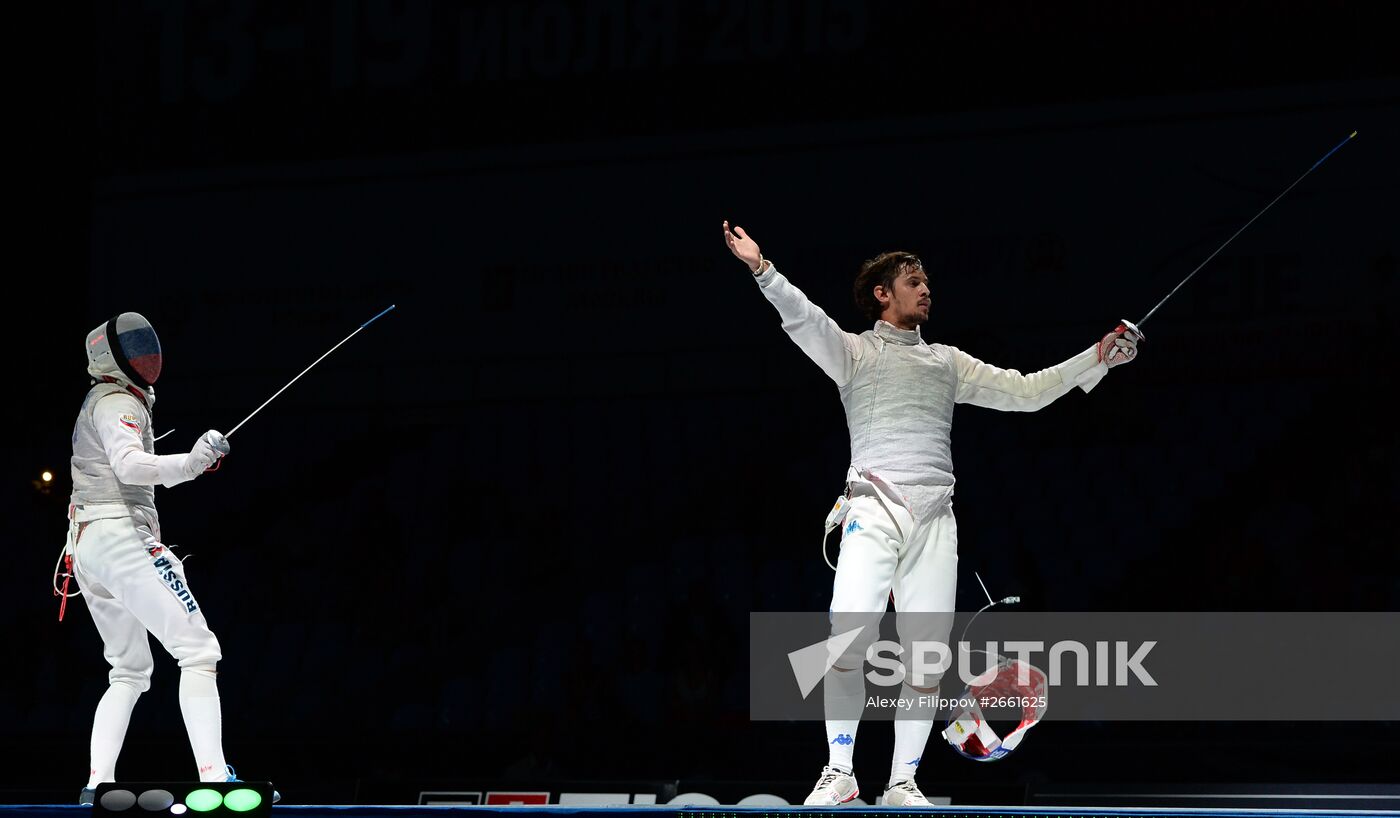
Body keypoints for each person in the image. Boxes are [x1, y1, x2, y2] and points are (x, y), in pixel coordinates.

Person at [722, 222, 1139, 806]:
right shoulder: (854, 352)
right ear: (882, 295)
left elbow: (1027, 390)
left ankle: (901, 782)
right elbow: (804, 318)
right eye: (913, 282)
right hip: (872, 508)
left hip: (936, 520)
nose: (926, 290)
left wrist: (1097, 359)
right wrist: (761, 268)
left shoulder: (947, 362)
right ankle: (839, 772)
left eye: (927, 282)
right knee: (847, 638)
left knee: (923, 657)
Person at [64, 312, 269, 804]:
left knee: (129, 671)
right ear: (113, 359)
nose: (147, 357)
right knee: (199, 653)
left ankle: (97, 785)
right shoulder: (115, 403)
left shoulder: (108, 400)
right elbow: (131, 467)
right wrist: (194, 462)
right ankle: (216, 780)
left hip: (87, 545)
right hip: (120, 538)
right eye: (135, 348)